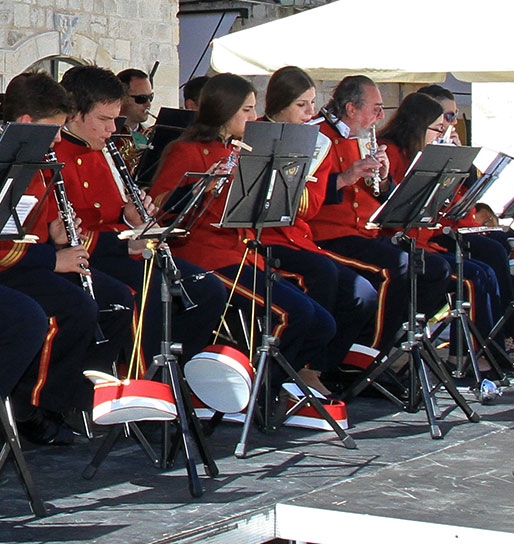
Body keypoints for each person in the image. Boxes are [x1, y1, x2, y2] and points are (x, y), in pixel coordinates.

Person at [149, 73, 339, 394]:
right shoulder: (189, 152)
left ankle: (265, 386)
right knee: (295, 316)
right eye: (247, 110)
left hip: (243, 255)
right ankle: (256, 391)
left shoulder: (242, 150)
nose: (254, 117)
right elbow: (160, 210)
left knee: (323, 324)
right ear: (225, 111)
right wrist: (201, 186)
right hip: (206, 256)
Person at [57, 65, 228, 368]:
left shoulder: (105, 149)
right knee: (149, 292)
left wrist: (133, 216)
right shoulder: (56, 156)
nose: (113, 129)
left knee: (208, 289)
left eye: (115, 119)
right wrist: (126, 243)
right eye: (104, 120)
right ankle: (142, 380)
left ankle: (182, 372)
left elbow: (116, 207)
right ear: (73, 113)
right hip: (91, 255)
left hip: (124, 248)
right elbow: (65, 232)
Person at [0, 71, 134, 445]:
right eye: (53, 129)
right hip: (14, 263)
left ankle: (52, 399)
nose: (58, 139)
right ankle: (26, 404)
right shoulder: (10, 159)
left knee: (94, 302)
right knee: (43, 313)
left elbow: (32, 224)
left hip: (25, 259)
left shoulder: (33, 157)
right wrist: (52, 259)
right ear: (26, 124)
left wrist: (59, 236)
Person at [309, 75, 451, 352]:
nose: (379, 116)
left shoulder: (362, 138)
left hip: (365, 231)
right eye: (375, 108)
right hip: (328, 234)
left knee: (435, 270)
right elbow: (302, 193)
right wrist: (345, 177)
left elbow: (377, 194)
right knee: (397, 270)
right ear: (351, 108)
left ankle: (392, 342)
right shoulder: (318, 134)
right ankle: (368, 352)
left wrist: (384, 180)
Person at [261, 65, 377, 370]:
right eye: (302, 105)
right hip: (263, 239)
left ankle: (323, 365)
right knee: (323, 274)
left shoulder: (316, 142)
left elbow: (309, 207)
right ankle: (302, 369)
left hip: (297, 237)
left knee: (362, 294)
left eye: (312, 103)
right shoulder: (257, 135)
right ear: (279, 104)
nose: (310, 112)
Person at [378, 91, 506, 340]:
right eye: (438, 128)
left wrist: (455, 164)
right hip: (403, 240)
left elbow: (450, 199)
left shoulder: (423, 152)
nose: (443, 132)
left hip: (426, 237)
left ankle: (496, 346)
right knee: (473, 276)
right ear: (418, 126)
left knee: (489, 262)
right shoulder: (393, 153)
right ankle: (470, 354)